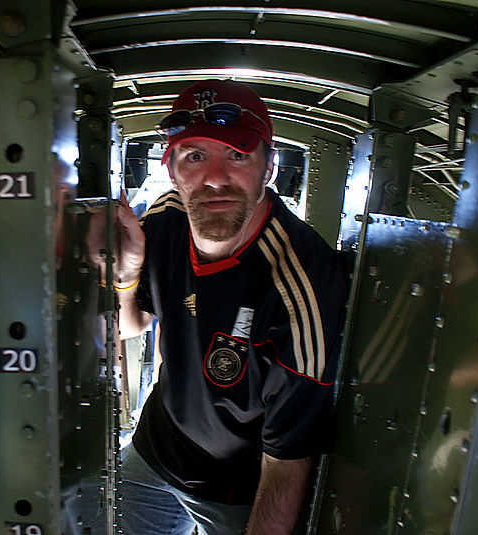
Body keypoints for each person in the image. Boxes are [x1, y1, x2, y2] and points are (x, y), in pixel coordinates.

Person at [111, 79, 349, 535]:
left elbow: (287, 464)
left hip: (236, 491)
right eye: (195, 156)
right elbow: (129, 325)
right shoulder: (164, 221)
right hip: (154, 453)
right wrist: (128, 272)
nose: (214, 178)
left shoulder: (302, 288)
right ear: (171, 168)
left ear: (269, 168)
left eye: (237, 155)